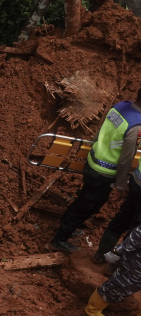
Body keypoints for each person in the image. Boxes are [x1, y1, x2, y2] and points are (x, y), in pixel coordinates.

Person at [50, 93, 141, 254]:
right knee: (87, 205)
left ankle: (68, 227)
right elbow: (125, 159)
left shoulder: (120, 106)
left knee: (84, 199)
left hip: (94, 159)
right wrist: (120, 186)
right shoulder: (137, 125)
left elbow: (101, 131)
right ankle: (60, 239)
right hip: (104, 172)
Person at [85, 222, 141, 316]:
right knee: (116, 287)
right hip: (135, 267)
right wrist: (118, 251)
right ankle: (93, 310)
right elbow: (137, 236)